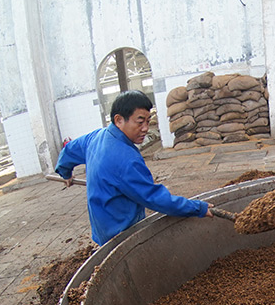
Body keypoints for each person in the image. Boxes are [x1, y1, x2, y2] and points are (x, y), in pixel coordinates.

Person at [55, 90, 212, 245]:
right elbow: (154, 198)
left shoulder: (97, 137)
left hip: (101, 229)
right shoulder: (125, 160)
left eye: (147, 121)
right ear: (119, 120)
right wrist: (198, 208)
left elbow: (69, 151)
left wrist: (65, 172)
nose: (145, 128)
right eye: (139, 121)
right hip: (122, 234)